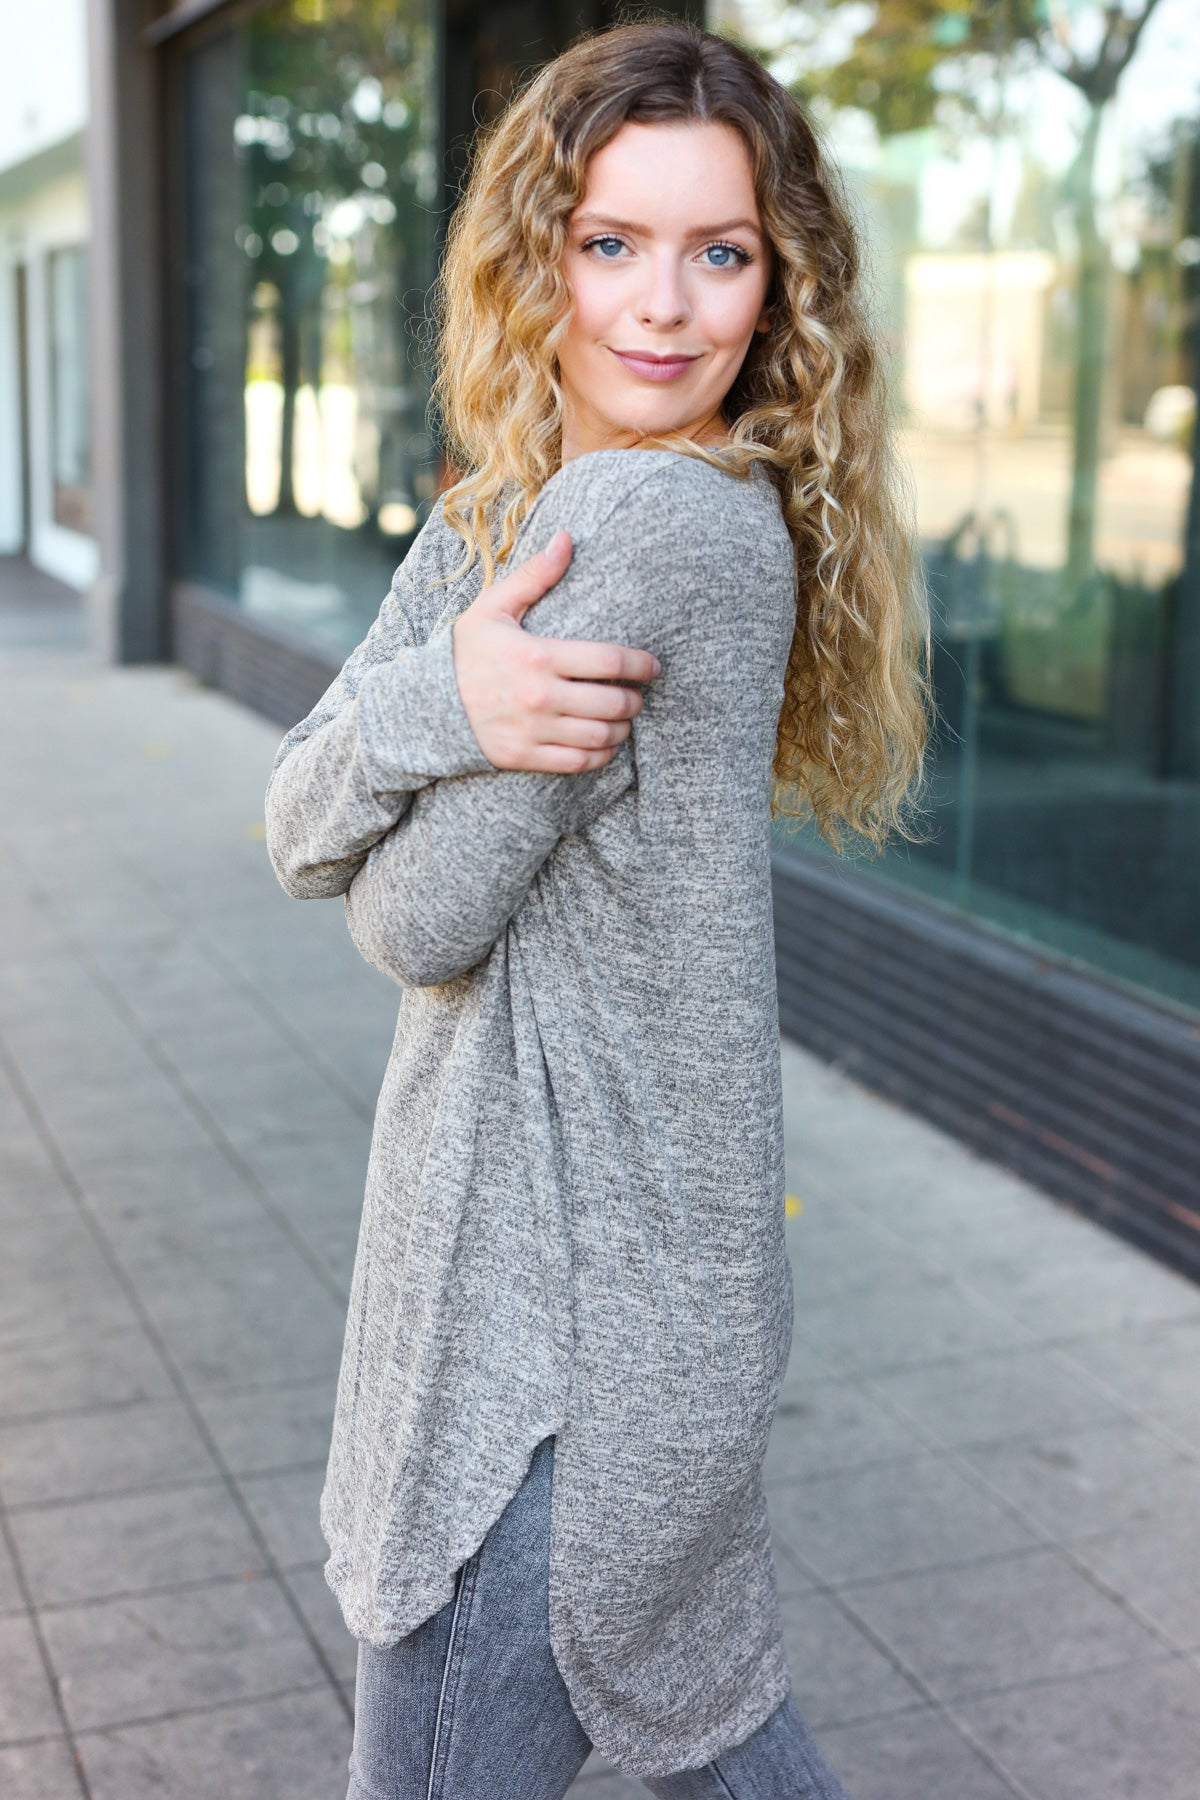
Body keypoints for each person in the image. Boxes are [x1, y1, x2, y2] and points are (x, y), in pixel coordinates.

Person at [263, 15, 931, 1799]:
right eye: (611, 242)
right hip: (564, 1289)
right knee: (718, 1740)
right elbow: (295, 814)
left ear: (777, 288)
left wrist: (413, 726)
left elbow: (411, 918)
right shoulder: (501, 518)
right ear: (534, 258)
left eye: (721, 252)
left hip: (571, 1338)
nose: (664, 304)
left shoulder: (647, 525)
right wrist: (439, 708)